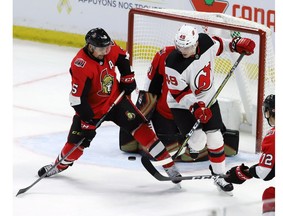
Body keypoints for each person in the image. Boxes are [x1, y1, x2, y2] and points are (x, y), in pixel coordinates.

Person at [37, 28, 182, 185]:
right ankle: (58, 165)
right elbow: (77, 100)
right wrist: (87, 122)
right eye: (102, 48)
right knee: (76, 143)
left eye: (108, 46)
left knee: (142, 129)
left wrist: (127, 78)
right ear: (91, 47)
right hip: (93, 109)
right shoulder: (80, 65)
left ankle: (169, 166)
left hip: (116, 100)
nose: (107, 50)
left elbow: (122, 57)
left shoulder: (108, 47)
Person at [164, 24, 255, 194]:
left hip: (208, 100)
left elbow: (223, 44)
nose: (184, 51)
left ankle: (219, 175)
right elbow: (179, 93)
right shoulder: (172, 63)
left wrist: (237, 44)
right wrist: (195, 107)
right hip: (182, 105)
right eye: (180, 47)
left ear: (196, 42)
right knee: (198, 141)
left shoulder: (206, 42)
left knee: (216, 139)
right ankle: (192, 145)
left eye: (188, 47)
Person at [224, 94, 275, 215]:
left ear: (268, 112)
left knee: (270, 195)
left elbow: (264, 172)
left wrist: (243, 172)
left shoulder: (273, 135)